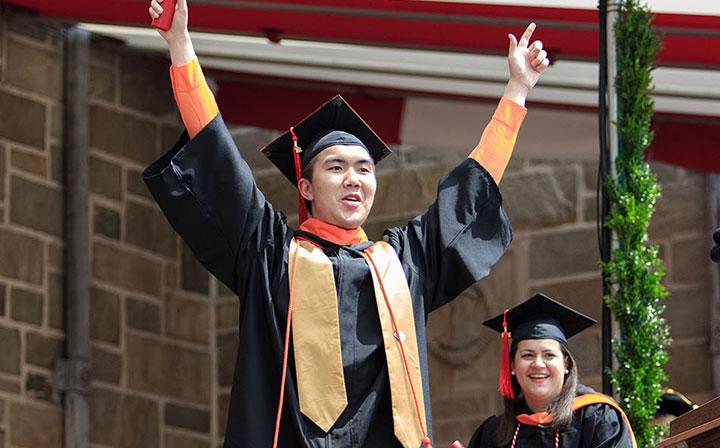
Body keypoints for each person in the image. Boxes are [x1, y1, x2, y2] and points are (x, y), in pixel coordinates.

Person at [145, 0, 549, 446]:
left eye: (364, 168)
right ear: (307, 189)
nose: (354, 179)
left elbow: (468, 192)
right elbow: (217, 159)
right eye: (335, 168)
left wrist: (517, 91)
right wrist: (181, 45)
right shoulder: (272, 255)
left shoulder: (402, 263)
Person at [468, 294, 636, 448]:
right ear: (512, 365)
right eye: (528, 355)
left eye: (549, 355)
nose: (538, 364)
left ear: (566, 364)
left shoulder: (597, 418)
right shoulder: (493, 433)